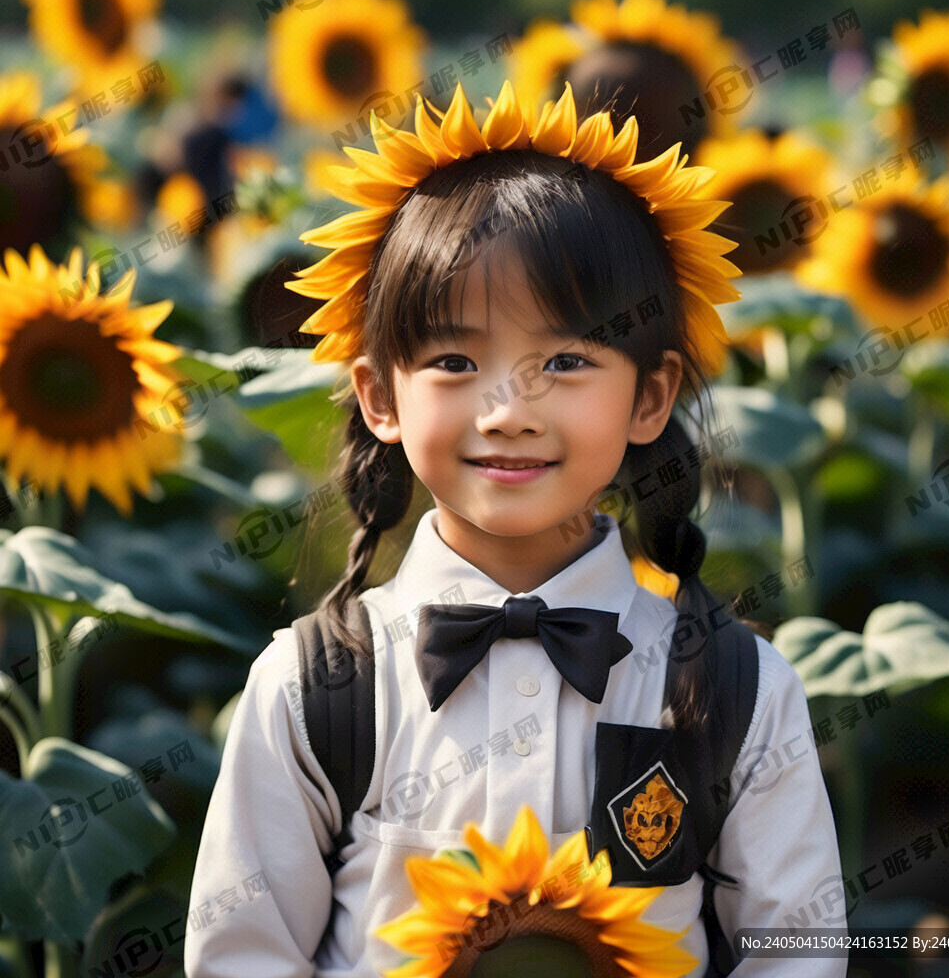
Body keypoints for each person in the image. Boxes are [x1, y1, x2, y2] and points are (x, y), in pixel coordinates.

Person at [184, 81, 846, 977]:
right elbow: (242, 955)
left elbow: (798, 954)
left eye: (566, 361)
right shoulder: (315, 689)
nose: (507, 411)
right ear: (381, 394)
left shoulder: (735, 689)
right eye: (455, 360)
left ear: (650, 394)